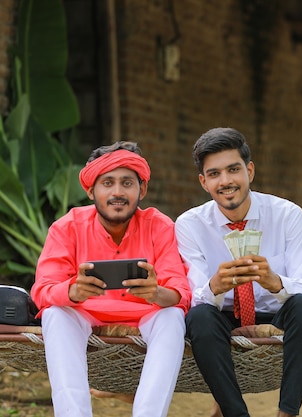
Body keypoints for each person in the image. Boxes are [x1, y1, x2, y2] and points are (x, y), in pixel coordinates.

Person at [31, 141, 191, 417]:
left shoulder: (159, 225)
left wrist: (156, 292)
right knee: (56, 313)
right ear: (91, 190)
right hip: (84, 313)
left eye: (127, 183)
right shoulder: (67, 227)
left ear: (142, 189)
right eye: (108, 183)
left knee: (172, 317)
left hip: (147, 314)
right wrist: (73, 291)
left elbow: (180, 292)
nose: (118, 192)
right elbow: (42, 290)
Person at [175, 127, 302, 417]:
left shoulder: (287, 215)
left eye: (234, 169)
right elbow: (193, 298)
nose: (226, 181)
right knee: (200, 317)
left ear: (250, 171)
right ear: (204, 182)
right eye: (215, 174)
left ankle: (287, 413)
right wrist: (215, 286)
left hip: (276, 315)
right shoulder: (189, 225)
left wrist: (276, 283)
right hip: (222, 317)